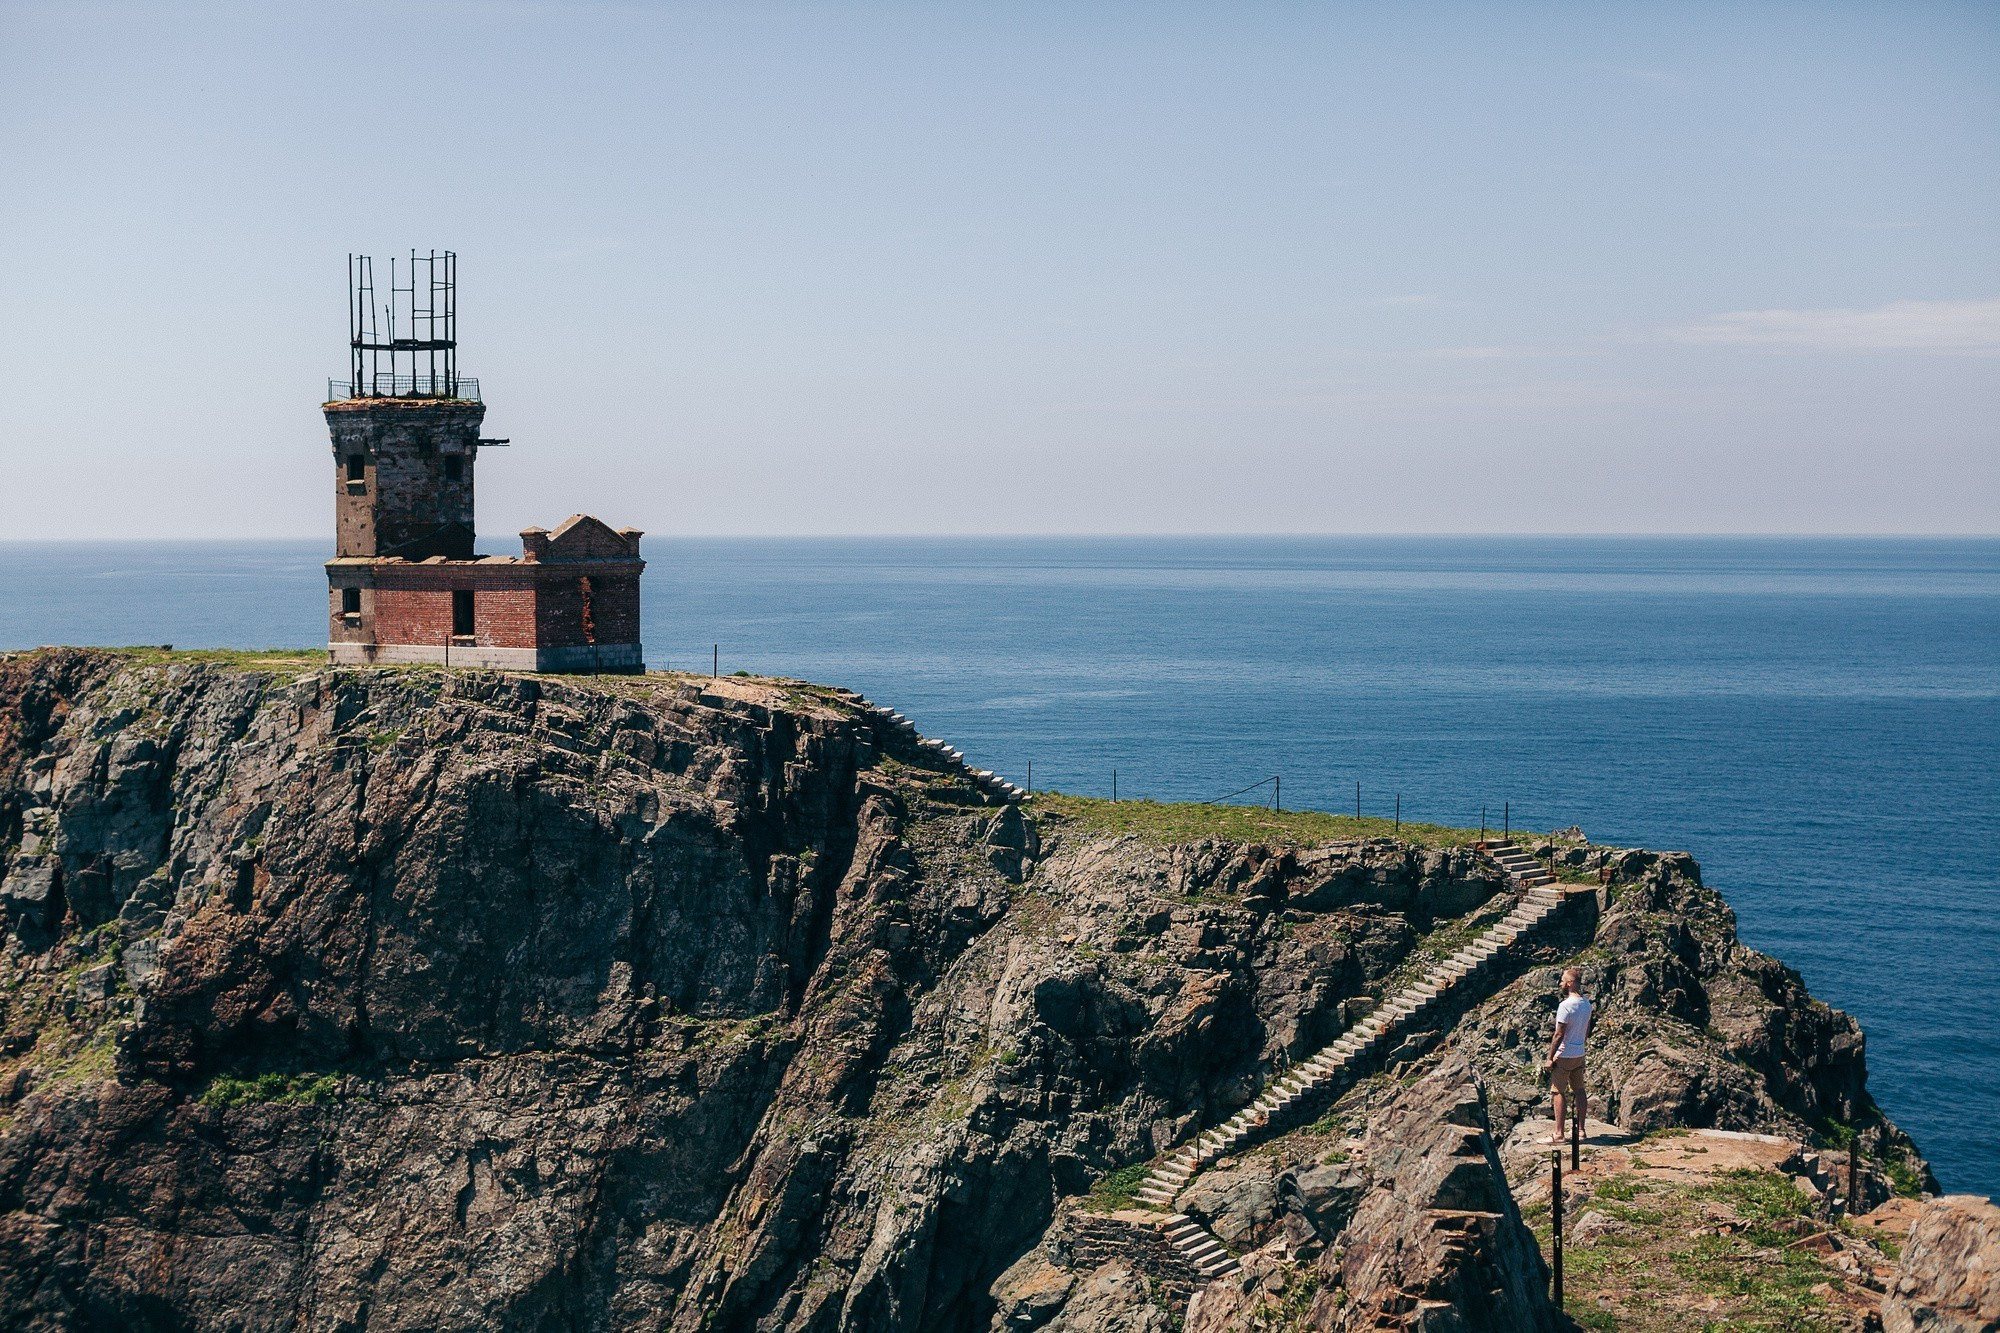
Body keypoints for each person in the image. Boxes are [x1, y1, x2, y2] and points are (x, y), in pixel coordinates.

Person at [1546, 967, 1591, 1144]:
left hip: (1564, 1054)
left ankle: (1559, 1134)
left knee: (1558, 1091)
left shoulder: (1565, 1006)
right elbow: (1586, 1030)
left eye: (1563, 980)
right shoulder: (1586, 1004)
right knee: (1579, 1090)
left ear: (1570, 983)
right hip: (1579, 1052)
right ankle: (1581, 1130)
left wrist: (1550, 1058)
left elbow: (1559, 1034)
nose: (1561, 983)